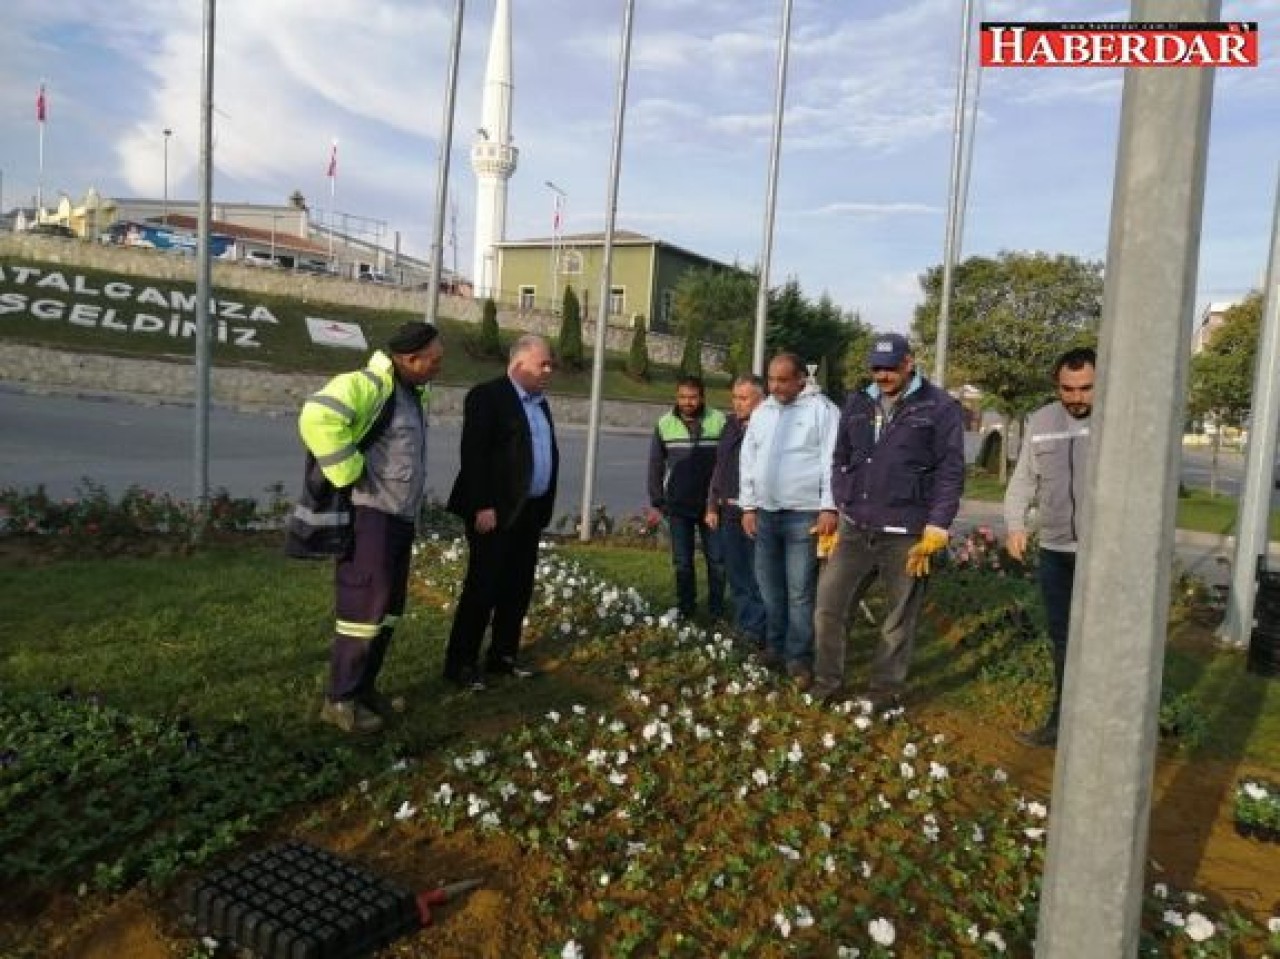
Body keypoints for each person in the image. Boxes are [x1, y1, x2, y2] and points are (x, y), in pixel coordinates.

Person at [299, 320, 444, 735]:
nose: (439, 367)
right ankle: (339, 701)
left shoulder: (410, 393)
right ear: (409, 359)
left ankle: (364, 690)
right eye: (434, 360)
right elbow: (317, 415)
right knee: (362, 614)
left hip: (398, 519)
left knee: (388, 612)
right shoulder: (368, 384)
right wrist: (347, 472)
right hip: (370, 518)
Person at [812, 333, 965, 708]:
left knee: (897, 620)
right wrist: (841, 501)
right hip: (855, 528)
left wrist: (938, 524)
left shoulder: (938, 407)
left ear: (909, 363)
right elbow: (841, 457)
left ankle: (884, 691)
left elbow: (950, 469)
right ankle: (826, 682)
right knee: (829, 608)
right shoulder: (859, 402)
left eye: (890, 368)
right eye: (876, 368)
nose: (882, 375)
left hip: (906, 535)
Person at [443, 335, 559, 691]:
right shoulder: (488, 397)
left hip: (529, 511)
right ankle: (461, 663)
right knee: (483, 587)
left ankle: (503, 657)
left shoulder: (540, 404)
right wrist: (482, 505)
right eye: (543, 364)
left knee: (517, 588)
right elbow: (474, 455)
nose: (549, 370)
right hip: (494, 513)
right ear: (518, 364)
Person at [1003, 346, 1096, 747]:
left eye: (1085, 388)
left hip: (1102, 554)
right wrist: (1015, 525)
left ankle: (1102, 726)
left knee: (1100, 641)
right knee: (1062, 639)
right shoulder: (1040, 421)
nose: (1076, 398)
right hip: (1057, 551)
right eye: (1067, 389)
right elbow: (1024, 479)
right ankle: (1062, 723)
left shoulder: (1118, 418)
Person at [739, 353, 841, 688]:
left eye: (783, 380)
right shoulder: (764, 412)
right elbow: (748, 459)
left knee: (799, 591)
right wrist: (749, 506)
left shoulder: (822, 411)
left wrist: (829, 507)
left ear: (801, 379)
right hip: (767, 514)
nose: (775, 386)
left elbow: (832, 461)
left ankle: (799, 658)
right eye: (771, 380)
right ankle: (775, 646)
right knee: (770, 587)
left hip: (804, 514)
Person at [646, 375, 727, 621]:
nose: (687, 402)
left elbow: (727, 463)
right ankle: (686, 608)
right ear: (676, 397)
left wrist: (722, 498)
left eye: (692, 397)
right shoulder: (664, 424)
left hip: (711, 505)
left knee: (717, 561)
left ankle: (716, 610)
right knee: (682, 562)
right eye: (682, 397)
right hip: (678, 506)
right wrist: (658, 500)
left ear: (702, 397)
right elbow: (655, 464)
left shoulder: (719, 421)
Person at [705, 374, 767, 648]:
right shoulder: (730, 425)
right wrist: (712, 504)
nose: (737, 404)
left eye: (744, 398)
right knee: (737, 574)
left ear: (760, 399)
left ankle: (759, 631)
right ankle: (745, 626)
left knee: (758, 577)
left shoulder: (769, 426)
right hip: (728, 510)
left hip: (756, 512)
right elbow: (720, 466)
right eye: (735, 398)